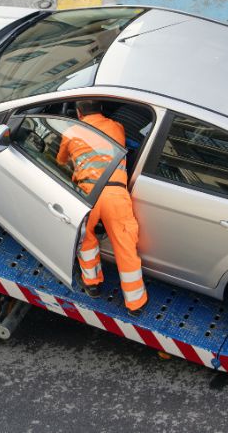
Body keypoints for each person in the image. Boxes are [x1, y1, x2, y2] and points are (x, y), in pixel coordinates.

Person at [56, 100, 148, 316]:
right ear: (102, 110)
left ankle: (93, 284)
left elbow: (60, 161)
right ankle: (135, 304)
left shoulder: (71, 132)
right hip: (116, 193)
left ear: (78, 113)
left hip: (87, 195)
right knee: (125, 246)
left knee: (85, 240)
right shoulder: (117, 127)